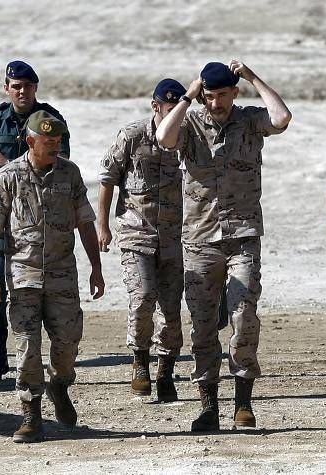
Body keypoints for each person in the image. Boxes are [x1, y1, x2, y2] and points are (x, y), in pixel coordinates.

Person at [156, 60, 291, 431]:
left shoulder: (248, 120)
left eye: (222, 95)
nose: (215, 103)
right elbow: (164, 137)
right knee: (202, 327)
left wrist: (251, 76)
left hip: (241, 237)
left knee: (243, 316)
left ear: (234, 93)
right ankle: (208, 405)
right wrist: (188, 94)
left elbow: (281, 118)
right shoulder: (192, 122)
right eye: (210, 96)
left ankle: (243, 403)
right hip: (199, 240)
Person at [0, 110, 104, 443]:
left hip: (63, 274)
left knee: (67, 345)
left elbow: (85, 222)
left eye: (58, 140)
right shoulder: (8, 176)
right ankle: (31, 416)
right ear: (30, 141)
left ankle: (59, 384)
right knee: (27, 348)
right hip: (23, 276)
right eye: (48, 142)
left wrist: (96, 266)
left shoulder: (70, 174)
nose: (55, 146)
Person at [0, 60, 70, 381]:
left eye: (28, 86)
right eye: (16, 86)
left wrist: (7, 162)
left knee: (41, 289)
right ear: (7, 88)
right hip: (4, 218)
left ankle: (38, 354)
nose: (22, 91)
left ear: (35, 88)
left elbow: (59, 163)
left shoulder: (49, 120)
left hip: (39, 220)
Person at [97, 78, 187, 402]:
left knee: (171, 308)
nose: (172, 114)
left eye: (179, 108)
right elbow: (107, 178)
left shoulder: (187, 140)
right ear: (156, 107)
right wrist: (103, 226)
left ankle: (165, 371)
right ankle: (139, 359)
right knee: (144, 296)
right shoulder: (132, 136)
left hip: (173, 236)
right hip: (136, 232)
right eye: (168, 108)